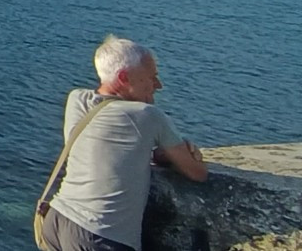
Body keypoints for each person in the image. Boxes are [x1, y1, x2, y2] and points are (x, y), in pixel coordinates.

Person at [39, 35, 208, 251]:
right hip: (99, 234)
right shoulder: (148, 115)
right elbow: (197, 172)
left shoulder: (76, 100)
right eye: (151, 77)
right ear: (123, 77)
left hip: (57, 221)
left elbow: (105, 147)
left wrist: (157, 154)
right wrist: (176, 153)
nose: (158, 85)